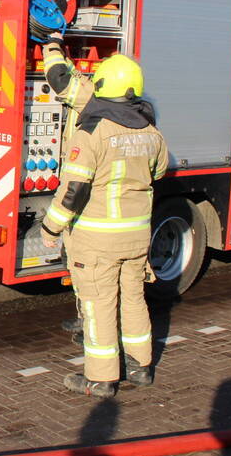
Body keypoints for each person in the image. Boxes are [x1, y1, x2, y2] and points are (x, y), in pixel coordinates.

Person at [40, 54, 168, 398]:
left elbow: (74, 191)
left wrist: (50, 228)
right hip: (137, 237)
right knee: (134, 300)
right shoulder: (151, 132)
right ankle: (141, 367)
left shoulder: (93, 131)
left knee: (98, 306)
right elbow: (158, 173)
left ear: (101, 86)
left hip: (98, 239)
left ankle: (100, 379)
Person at [42, 39, 95, 345]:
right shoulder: (133, 113)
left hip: (90, 212)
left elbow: (60, 79)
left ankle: (93, 333)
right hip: (116, 216)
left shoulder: (89, 97)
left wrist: (52, 47)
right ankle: (87, 320)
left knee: (89, 275)